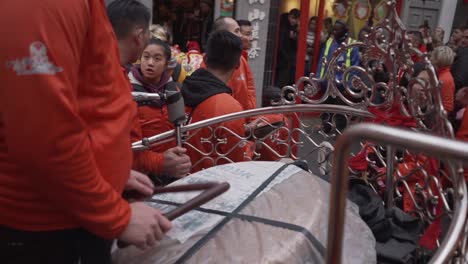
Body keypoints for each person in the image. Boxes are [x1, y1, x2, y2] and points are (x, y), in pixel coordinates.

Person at [0, 0, 171, 263]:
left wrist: (106, 171)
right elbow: (44, 137)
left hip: (72, 213)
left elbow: (84, 100)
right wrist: (115, 215)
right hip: (51, 228)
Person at [181, 30, 254, 172]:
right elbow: (236, 161)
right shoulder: (228, 107)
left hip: (180, 178)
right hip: (212, 184)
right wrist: (252, 144)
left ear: (205, 58)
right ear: (237, 65)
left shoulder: (181, 90)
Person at [128, 38, 191, 184]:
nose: (150, 63)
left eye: (157, 58)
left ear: (167, 64)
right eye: (146, 57)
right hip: (138, 175)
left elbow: (181, 129)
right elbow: (125, 147)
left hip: (169, 172)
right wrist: (159, 162)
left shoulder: (173, 90)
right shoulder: (128, 90)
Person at [211, 16, 257, 110]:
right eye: (236, 31)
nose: (240, 35)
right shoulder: (209, 60)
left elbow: (250, 90)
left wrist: (249, 116)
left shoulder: (241, 60)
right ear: (224, 35)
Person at [316, 20, 360, 84]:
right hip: (327, 82)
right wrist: (318, 79)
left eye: (337, 30)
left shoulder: (352, 45)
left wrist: (350, 86)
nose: (334, 32)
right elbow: (321, 62)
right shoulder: (329, 42)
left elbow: (354, 68)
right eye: (334, 30)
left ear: (344, 31)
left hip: (342, 85)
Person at [275, 8, 300, 88]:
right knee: (280, 79)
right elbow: (280, 44)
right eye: (292, 18)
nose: (294, 21)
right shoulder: (282, 25)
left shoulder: (296, 29)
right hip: (282, 58)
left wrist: (294, 38)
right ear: (289, 16)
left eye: (296, 19)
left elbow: (297, 47)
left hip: (289, 60)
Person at [430, 46, 456, 113]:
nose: (430, 59)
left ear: (437, 59)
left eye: (431, 56)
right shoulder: (440, 74)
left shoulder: (445, 79)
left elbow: (447, 107)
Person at [451, 26, 468, 91]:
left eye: (467, 38)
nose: (463, 40)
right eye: (463, 37)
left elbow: (459, 81)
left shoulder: (466, 52)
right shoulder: (462, 50)